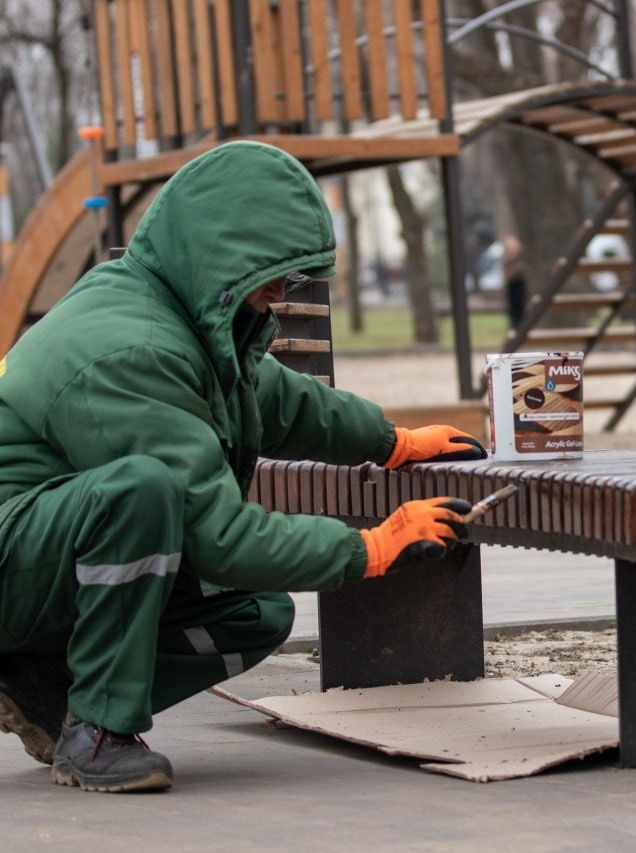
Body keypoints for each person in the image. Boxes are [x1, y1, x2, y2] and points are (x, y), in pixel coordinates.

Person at [0, 141, 487, 793]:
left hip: (51, 565)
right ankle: (95, 731)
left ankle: (44, 690)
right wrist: (369, 546)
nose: (284, 291)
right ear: (223, 254)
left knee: (255, 611)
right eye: (275, 271)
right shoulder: (132, 350)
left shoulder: (187, 323)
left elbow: (282, 401)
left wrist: (393, 442)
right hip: (13, 563)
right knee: (143, 492)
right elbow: (217, 536)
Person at [501, 235, 527, 328]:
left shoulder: (519, 258)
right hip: (511, 283)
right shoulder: (506, 258)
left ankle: (520, 325)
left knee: (519, 307)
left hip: (519, 284)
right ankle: (514, 324)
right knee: (512, 307)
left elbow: (520, 270)